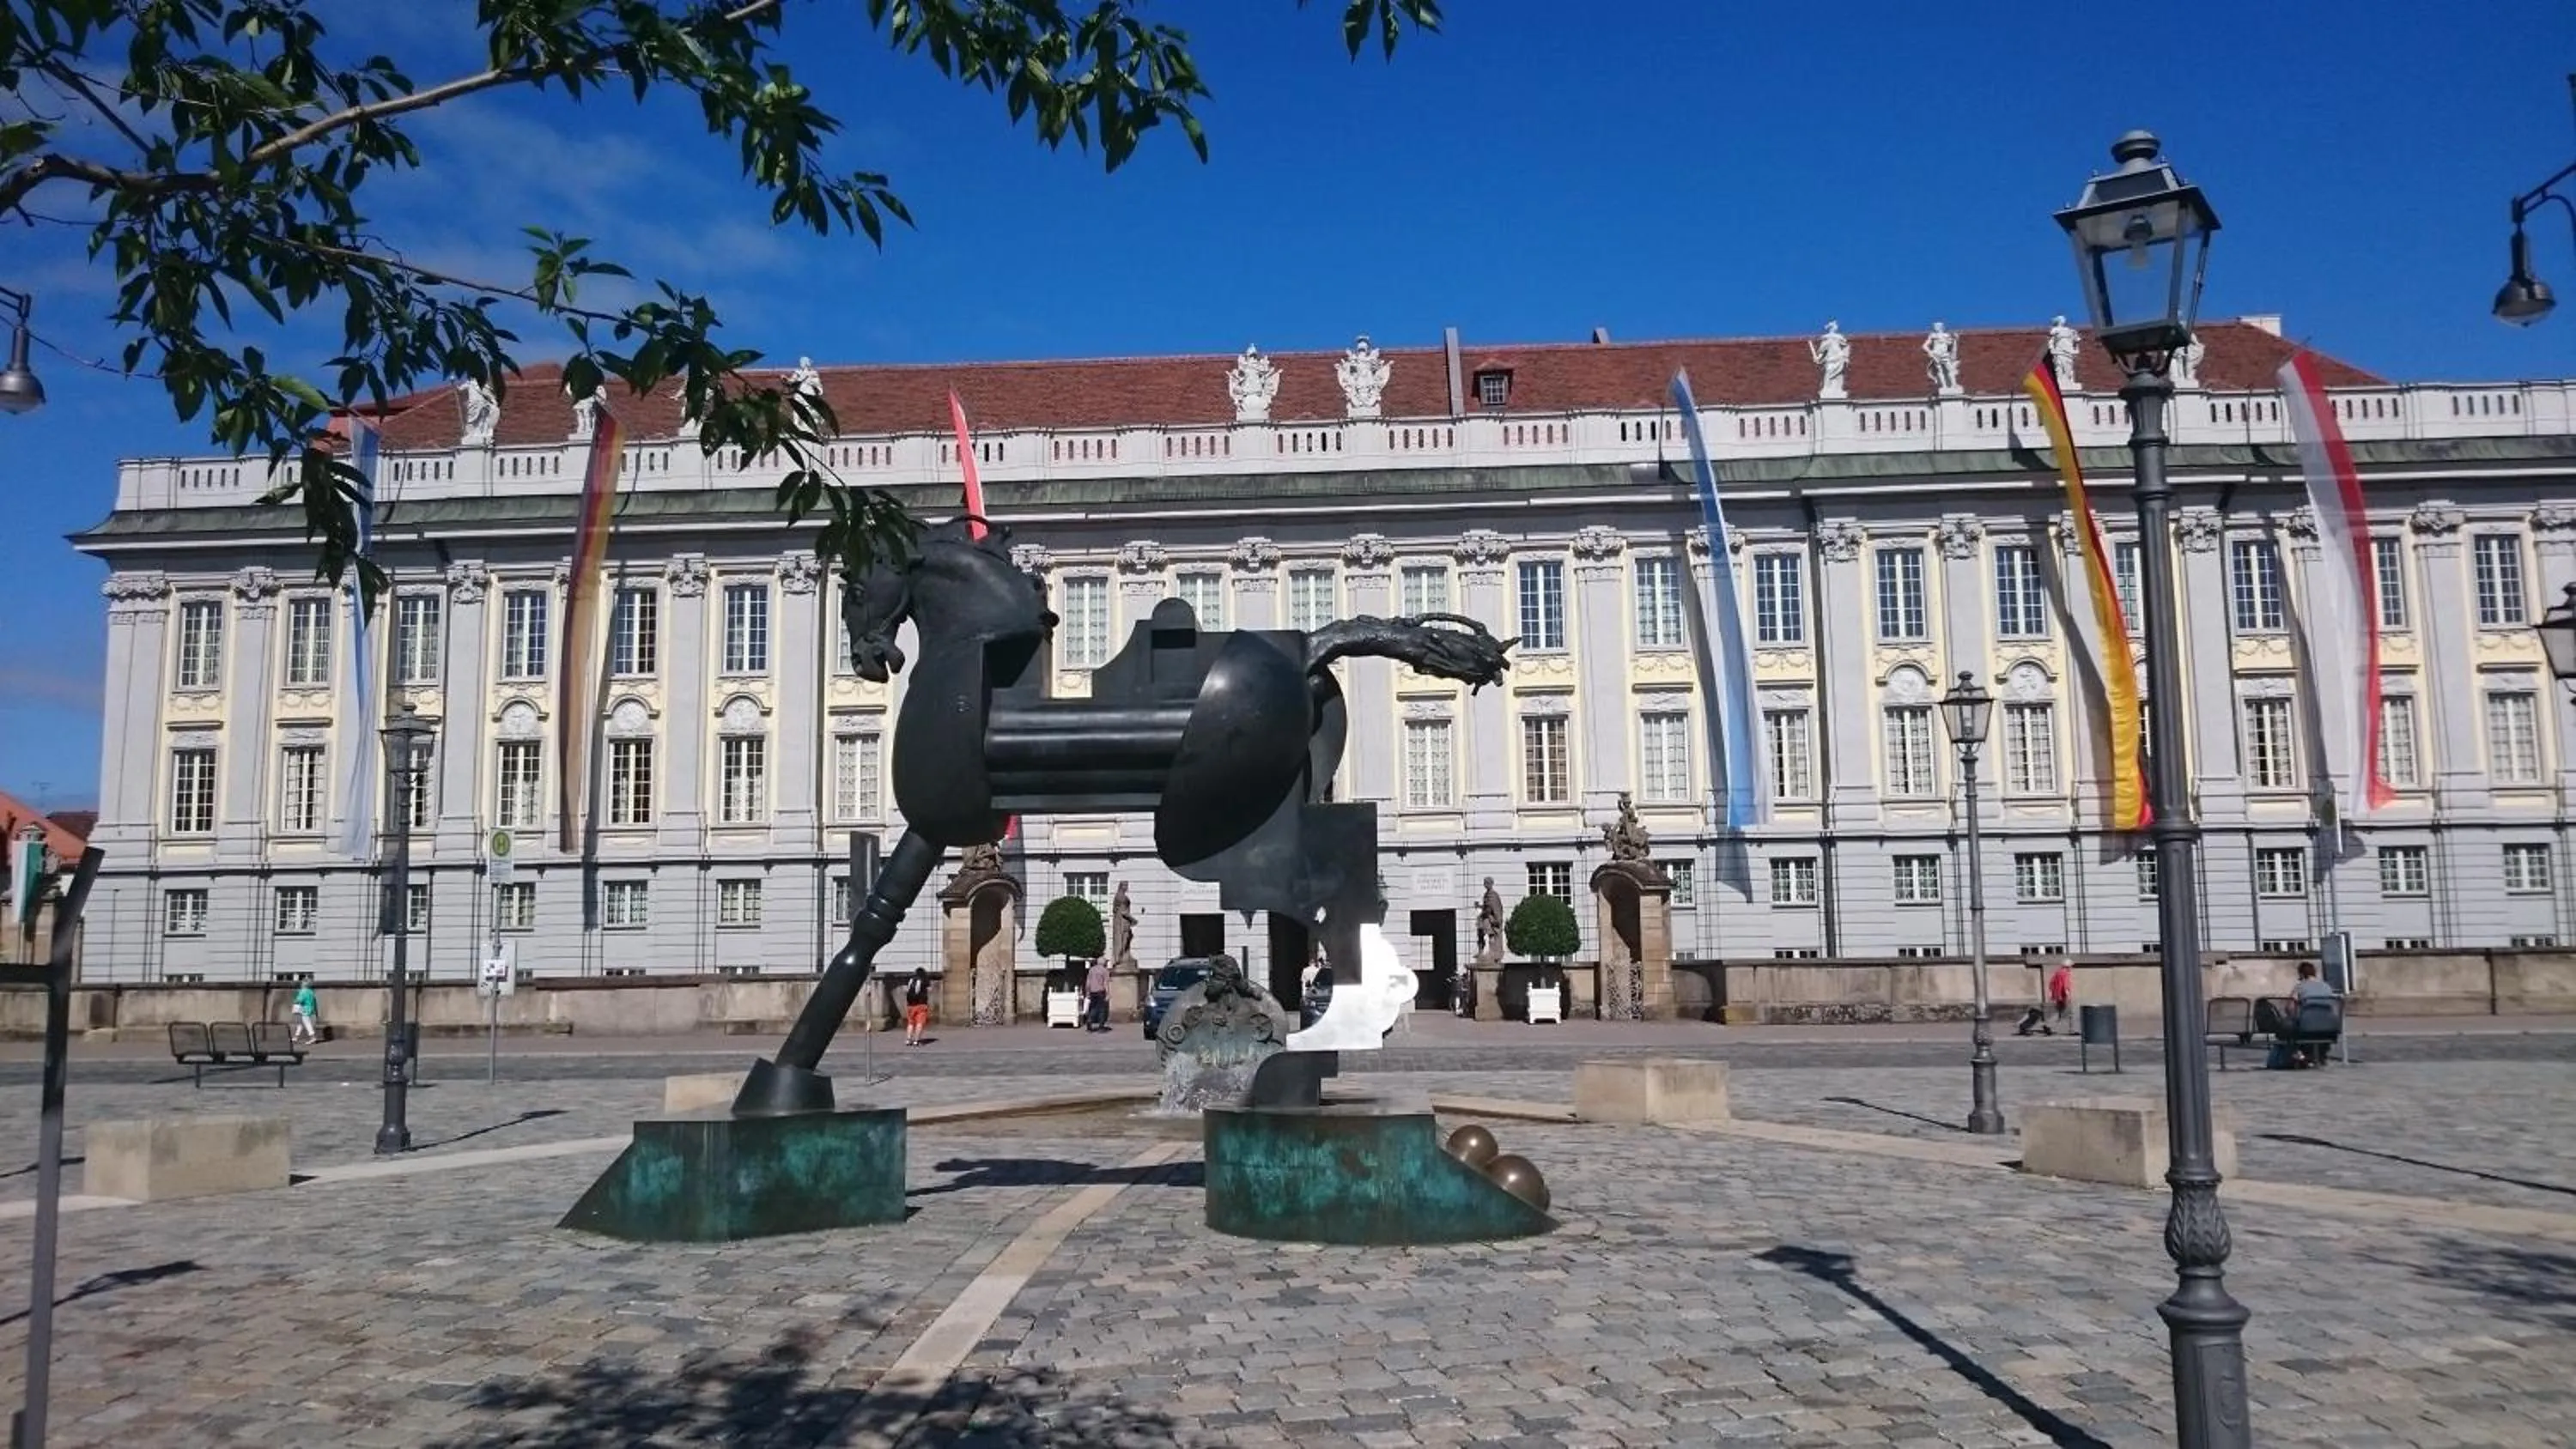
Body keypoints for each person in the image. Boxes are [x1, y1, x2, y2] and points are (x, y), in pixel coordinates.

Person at [902, 969, 933, 1046]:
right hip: (921, 1005)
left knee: (910, 1023)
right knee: (919, 1023)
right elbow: (930, 989)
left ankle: (908, 1040)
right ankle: (916, 1040)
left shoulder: (911, 980)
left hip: (910, 1005)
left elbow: (905, 989)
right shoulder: (925, 980)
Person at [1084, 955, 1111, 1034]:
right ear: (1104, 963)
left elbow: (1088, 982)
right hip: (1101, 991)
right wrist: (1108, 994)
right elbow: (1106, 983)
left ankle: (1089, 1021)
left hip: (1092, 992)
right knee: (1102, 1009)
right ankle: (1101, 1027)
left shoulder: (1092, 970)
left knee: (1092, 1008)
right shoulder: (1105, 971)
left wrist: (1088, 992)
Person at [290, 980, 321, 1046]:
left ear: (303, 985)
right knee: (301, 1023)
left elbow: (299, 1000)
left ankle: (312, 1037)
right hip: (311, 1009)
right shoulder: (311, 992)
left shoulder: (303, 991)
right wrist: (316, 1012)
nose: (301, 984)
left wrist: (295, 1001)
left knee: (307, 1023)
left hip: (304, 1009)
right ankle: (296, 1037)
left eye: (302, 983)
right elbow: (315, 1002)